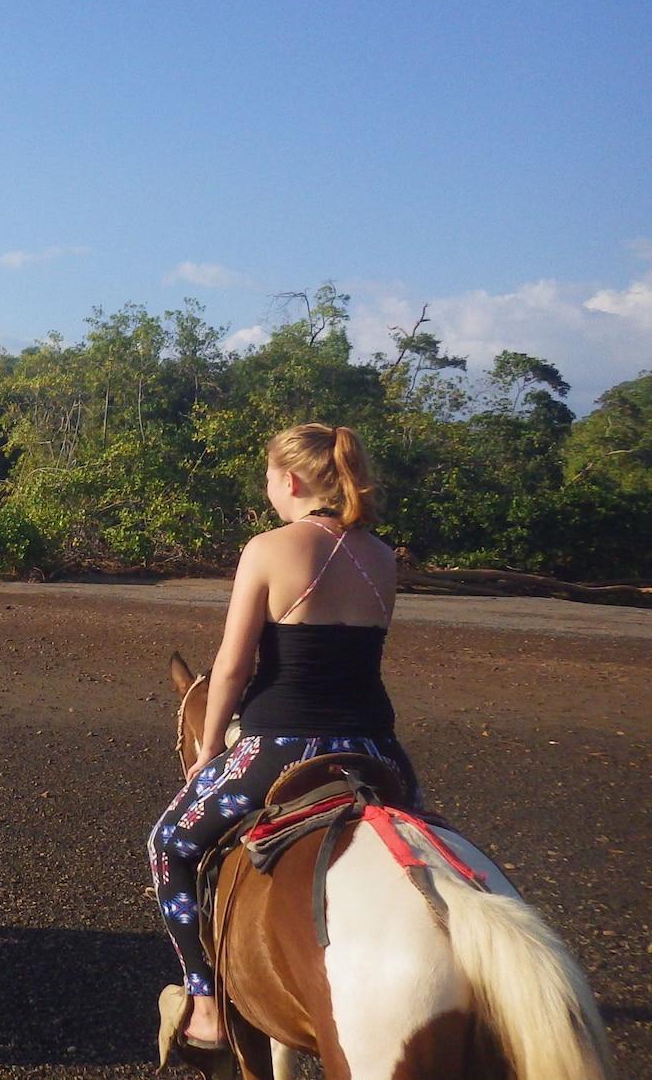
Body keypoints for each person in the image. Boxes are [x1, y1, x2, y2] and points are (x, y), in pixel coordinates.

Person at [145, 424, 422, 1051]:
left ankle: (206, 1003)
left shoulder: (269, 547)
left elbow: (235, 664)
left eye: (269, 477)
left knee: (171, 844)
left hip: (283, 745)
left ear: (290, 480)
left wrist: (210, 747)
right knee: (425, 844)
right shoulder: (379, 554)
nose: (268, 488)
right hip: (377, 748)